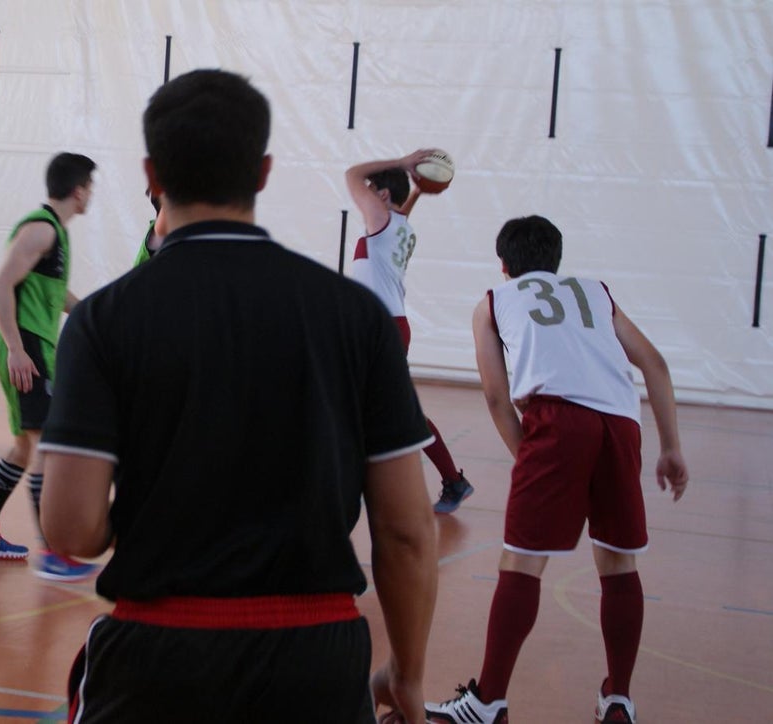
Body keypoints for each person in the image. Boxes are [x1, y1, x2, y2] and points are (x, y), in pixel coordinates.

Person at [38, 69, 439, 724]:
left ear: (152, 173)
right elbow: (406, 531)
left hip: (157, 657)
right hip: (318, 660)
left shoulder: (104, 320)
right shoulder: (355, 316)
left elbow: (71, 528)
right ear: (264, 171)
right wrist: (409, 674)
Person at [424, 215, 689, 724]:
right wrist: (671, 447)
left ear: (504, 265)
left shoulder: (493, 302)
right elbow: (654, 364)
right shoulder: (597, 293)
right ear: (557, 260)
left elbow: (497, 396)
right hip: (620, 422)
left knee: (521, 563)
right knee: (619, 565)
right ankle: (618, 699)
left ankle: (488, 702)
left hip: (556, 419)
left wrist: (529, 456)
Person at [0, 151, 101, 583]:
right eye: (90, 186)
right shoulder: (41, 229)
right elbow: (1, 285)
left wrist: (91, 313)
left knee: (24, 446)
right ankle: (54, 552)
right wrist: (18, 348)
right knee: (43, 445)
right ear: (78, 190)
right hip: (26, 349)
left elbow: (50, 293)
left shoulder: (54, 232)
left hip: (33, 345)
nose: (91, 193)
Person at [345, 152, 474, 514]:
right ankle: (451, 480)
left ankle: (450, 481)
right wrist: (415, 190)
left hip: (380, 328)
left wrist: (404, 162)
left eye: (371, 191)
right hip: (386, 326)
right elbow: (396, 210)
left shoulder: (382, 221)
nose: (364, 193)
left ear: (383, 197)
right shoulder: (399, 226)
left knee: (394, 412)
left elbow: (351, 173)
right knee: (375, 406)